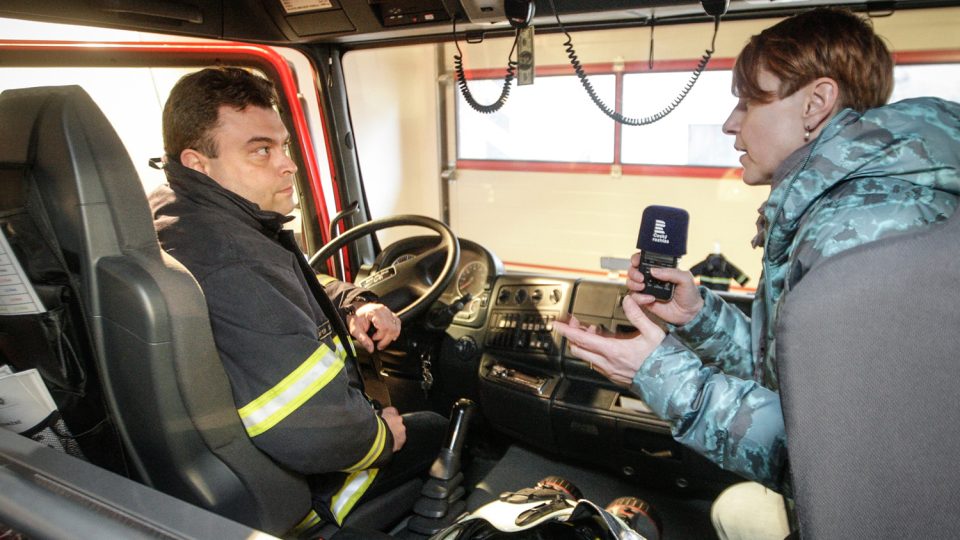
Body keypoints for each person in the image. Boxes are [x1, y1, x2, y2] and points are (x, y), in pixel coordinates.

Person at [554, 8, 960, 539]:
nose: (729, 122)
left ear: (816, 103)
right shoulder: (838, 205)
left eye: (748, 101)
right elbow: (802, 377)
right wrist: (699, 318)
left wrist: (655, 371)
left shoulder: (864, 228)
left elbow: (831, 451)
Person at [148, 67, 446, 532]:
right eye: (261, 151)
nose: (287, 165)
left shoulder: (185, 214)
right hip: (308, 490)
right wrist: (381, 437)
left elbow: (295, 280)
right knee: (433, 428)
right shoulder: (234, 262)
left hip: (217, 474)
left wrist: (352, 302)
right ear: (197, 162)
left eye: (283, 146)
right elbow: (305, 427)